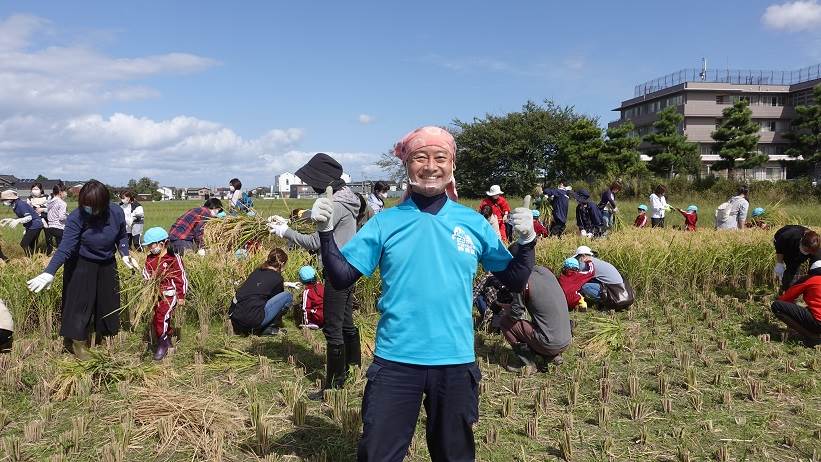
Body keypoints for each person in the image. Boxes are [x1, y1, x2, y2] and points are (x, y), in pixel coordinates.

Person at [314, 126, 536, 461]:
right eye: (420, 157)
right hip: (395, 360)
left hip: (456, 360)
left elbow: (516, 279)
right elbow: (341, 277)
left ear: (451, 167)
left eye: (439, 157)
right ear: (407, 166)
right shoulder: (384, 222)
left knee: (454, 455)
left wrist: (527, 241)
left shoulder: (471, 223)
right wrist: (326, 233)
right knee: (378, 454)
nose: (430, 166)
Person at [266, 153, 363, 392]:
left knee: (332, 327)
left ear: (323, 179)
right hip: (349, 268)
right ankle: (354, 368)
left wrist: (285, 232)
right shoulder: (348, 198)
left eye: (312, 180)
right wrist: (297, 219)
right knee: (346, 321)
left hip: (336, 270)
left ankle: (334, 384)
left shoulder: (336, 205)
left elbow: (313, 242)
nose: (311, 185)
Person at [26, 180, 139, 360]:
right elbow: (65, 247)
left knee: (106, 301)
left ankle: (100, 338)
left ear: (103, 204)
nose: (89, 210)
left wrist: (124, 254)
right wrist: (49, 271)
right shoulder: (77, 216)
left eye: (93, 207)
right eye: (86, 206)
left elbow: (122, 236)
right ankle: (78, 343)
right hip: (81, 263)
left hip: (107, 263)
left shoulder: (116, 212)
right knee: (80, 304)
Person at [499, 263, 572, 370]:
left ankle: (527, 364)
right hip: (566, 340)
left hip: (550, 343)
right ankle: (551, 355)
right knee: (542, 320)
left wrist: (506, 308)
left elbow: (516, 315)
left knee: (505, 322)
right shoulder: (546, 272)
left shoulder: (520, 280)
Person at [140, 227, 187, 360]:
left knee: (161, 317)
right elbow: (146, 272)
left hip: (169, 294)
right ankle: (167, 340)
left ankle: (162, 344)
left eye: (151, 245)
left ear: (162, 243)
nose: (150, 248)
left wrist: (181, 296)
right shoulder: (150, 258)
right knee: (158, 319)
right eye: (148, 245)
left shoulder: (173, 258)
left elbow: (180, 277)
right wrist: (148, 279)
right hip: (155, 294)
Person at [228, 248, 294, 337]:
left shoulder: (256, 271)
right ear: (281, 263)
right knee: (287, 296)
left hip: (237, 318)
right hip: (254, 320)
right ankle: (269, 327)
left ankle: (244, 328)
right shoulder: (278, 278)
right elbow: (275, 301)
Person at [771, 260, 821, 345]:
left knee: (777, 306)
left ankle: (812, 337)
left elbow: (785, 298)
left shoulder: (811, 280)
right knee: (808, 309)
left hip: (818, 322)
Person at [572, 245, 633, 310]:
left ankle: (605, 303)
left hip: (614, 293)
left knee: (584, 286)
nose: (577, 260)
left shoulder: (587, 264)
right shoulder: (596, 261)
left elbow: (579, 278)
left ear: (583, 256)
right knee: (589, 282)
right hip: (620, 290)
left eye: (578, 257)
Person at [773, 225, 821, 292]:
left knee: (816, 270)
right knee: (792, 266)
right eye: (806, 250)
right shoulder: (788, 236)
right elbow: (780, 248)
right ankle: (787, 290)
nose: (806, 253)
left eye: (809, 252)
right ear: (801, 242)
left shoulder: (816, 247)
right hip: (784, 241)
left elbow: (817, 268)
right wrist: (779, 263)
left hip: (808, 248)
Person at [1, 190, 44, 256]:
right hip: (32, 225)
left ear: (10, 199)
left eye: (4, 200)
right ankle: (34, 259)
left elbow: (29, 217)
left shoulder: (20, 204)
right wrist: (10, 220)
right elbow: (22, 216)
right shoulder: (15, 205)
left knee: (24, 244)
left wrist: (17, 221)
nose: (3, 202)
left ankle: (31, 259)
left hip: (35, 225)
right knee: (30, 245)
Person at [298, 265, 324, 329]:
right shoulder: (321, 286)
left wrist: (306, 322)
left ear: (302, 280)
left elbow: (305, 309)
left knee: (304, 307)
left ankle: (311, 323)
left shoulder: (307, 292)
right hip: (329, 316)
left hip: (318, 317)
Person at [45, 184, 68, 255]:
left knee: (58, 246)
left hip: (50, 227)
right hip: (59, 227)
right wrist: (68, 217)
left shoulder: (50, 202)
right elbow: (61, 217)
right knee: (63, 247)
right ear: (60, 192)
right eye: (65, 191)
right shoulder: (62, 203)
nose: (66, 193)